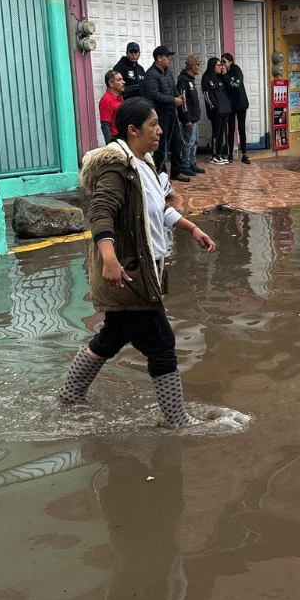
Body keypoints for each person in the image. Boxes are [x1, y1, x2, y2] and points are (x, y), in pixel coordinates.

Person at [57, 96, 217, 428]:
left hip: (143, 270)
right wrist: (109, 259)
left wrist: (193, 228)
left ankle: (69, 397)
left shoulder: (145, 164)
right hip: (131, 274)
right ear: (132, 130)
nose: (160, 130)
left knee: (112, 337)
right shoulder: (118, 167)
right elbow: (100, 212)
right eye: (153, 125)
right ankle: (177, 420)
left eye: (158, 124)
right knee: (162, 345)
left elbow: (159, 210)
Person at [142, 46, 188, 181]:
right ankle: (161, 173)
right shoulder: (151, 74)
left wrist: (178, 96)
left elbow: (172, 88)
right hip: (160, 114)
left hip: (171, 113)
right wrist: (172, 100)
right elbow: (153, 95)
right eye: (167, 57)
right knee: (160, 144)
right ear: (159, 58)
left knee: (177, 143)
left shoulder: (168, 73)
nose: (169, 59)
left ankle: (176, 171)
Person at [176, 55, 206, 177]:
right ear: (192, 66)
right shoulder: (183, 80)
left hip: (194, 118)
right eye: (198, 65)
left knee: (194, 141)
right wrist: (186, 118)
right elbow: (183, 101)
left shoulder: (190, 79)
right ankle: (185, 165)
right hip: (188, 118)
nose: (199, 68)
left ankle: (192, 163)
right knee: (188, 142)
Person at [202, 57, 233, 165]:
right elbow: (207, 95)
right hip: (216, 111)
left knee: (222, 133)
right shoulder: (206, 78)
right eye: (219, 65)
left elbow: (227, 90)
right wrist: (214, 107)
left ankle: (220, 154)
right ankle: (214, 155)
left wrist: (224, 74)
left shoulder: (220, 78)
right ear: (212, 66)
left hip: (225, 110)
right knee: (216, 133)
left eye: (221, 65)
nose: (221, 67)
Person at [221, 53, 252, 164]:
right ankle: (230, 154)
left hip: (241, 103)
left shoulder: (236, 70)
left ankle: (244, 154)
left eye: (224, 62)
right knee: (231, 129)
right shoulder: (222, 73)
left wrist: (225, 76)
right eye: (221, 62)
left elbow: (236, 85)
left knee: (241, 129)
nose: (223, 64)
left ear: (230, 62)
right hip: (230, 105)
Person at [98, 70, 125, 145]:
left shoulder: (120, 97)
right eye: (119, 80)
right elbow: (105, 125)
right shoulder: (106, 100)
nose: (123, 82)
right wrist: (110, 144)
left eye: (122, 79)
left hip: (123, 138)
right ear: (111, 83)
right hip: (116, 140)